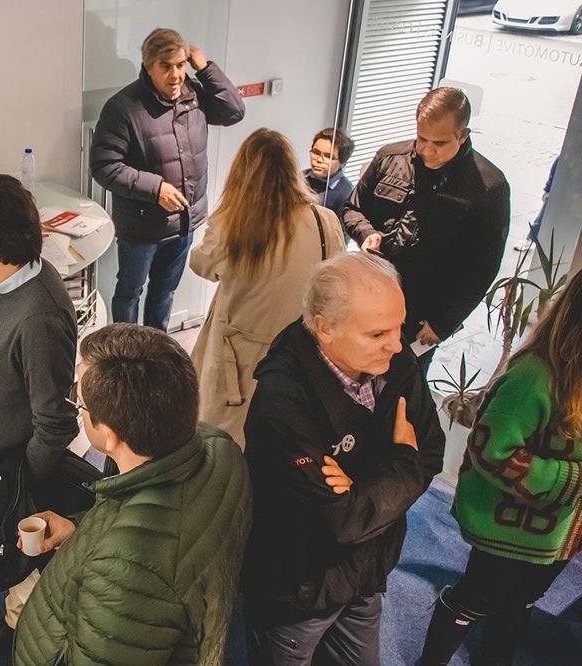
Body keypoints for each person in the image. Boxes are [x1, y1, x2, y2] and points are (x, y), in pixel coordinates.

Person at [241, 252, 445, 664]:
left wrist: (363, 490)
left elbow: (432, 451)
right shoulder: (282, 399)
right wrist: (401, 461)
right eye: (377, 334)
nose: (397, 345)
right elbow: (342, 519)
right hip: (300, 589)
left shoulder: (395, 361)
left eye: (399, 328)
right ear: (325, 328)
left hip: (368, 572)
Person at [12, 324, 251, 665]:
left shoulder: (128, 575)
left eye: (79, 401)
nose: (76, 402)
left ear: (109, 435)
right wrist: (80, 528)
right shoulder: (221, 448)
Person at [418, 268, 582, 665]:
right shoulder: (534, 377)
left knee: (523, 601)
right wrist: (570, 480)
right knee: (477, 597)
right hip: (512, 527)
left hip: (560, 532)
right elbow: (492, 450)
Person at [0, 174, 80, 655]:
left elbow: (56, 422)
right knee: (19, 575)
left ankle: (26, 636)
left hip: (16, 479)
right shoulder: (12, 283)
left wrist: (17, 490)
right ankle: (15, 619)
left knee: (29, 569)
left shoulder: (38, 317)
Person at [191, 128, 345, 449]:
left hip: (237, 357)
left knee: (226, 439)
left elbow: (202, 265)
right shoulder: (324, 221)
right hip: (297, 353)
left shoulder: (233, 224)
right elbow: (335, 282)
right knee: (282, 436)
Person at [343, 87, 510, 367]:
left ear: (463, 135)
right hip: (369, 296)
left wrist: (444, 322)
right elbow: (352, 209)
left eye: (440, 143)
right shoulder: (388, 158)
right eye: (422, 139)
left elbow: (484, 265)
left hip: (422, 314)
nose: (427, 151)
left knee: (401, 382)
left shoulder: (489, 187)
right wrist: (366, 233)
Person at [90, 27, 244, 331]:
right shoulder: (122, 108)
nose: (176, 75)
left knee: (165, 293)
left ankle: (156, 349)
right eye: (166, 66)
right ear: (149, 66)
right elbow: (104, 166)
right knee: (130, 293)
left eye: (181, 65)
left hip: (183, 223)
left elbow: (234, 111)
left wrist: (206, 68)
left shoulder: (195, 94)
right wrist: (156, 188)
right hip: (142, 227)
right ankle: (125, 350)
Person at [303, 127, 355, 223]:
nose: (319, 160)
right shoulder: (300, 177)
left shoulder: (347, 193)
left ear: (342, 163)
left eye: (328, 156)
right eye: (316, 152)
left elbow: (340, 230)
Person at [518, 155, 559, 251]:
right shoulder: (564, 157)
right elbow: (554, 172)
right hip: (557, 192)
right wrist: (547, 190)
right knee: (542, 216)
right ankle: (531, 238)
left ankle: (532, 239)